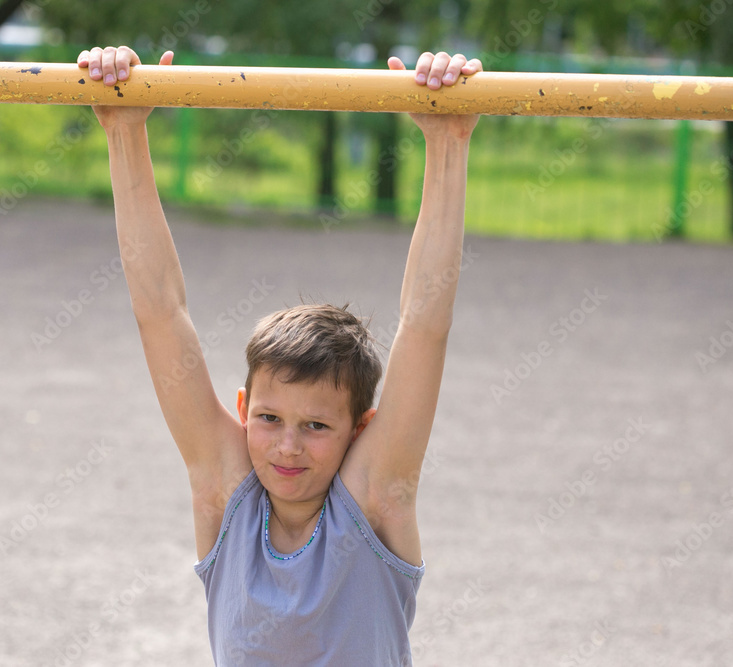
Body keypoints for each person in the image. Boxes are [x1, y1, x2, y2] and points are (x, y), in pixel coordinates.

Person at [77, 45, 482, 666]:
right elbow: (160, 312)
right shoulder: (225, 491)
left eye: (316, 426)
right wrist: (125, 131)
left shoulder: (373, 500)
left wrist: (447, 142)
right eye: (269, 419)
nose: (288, 446)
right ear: (243, 410)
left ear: (362, 429)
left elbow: (425, 325)